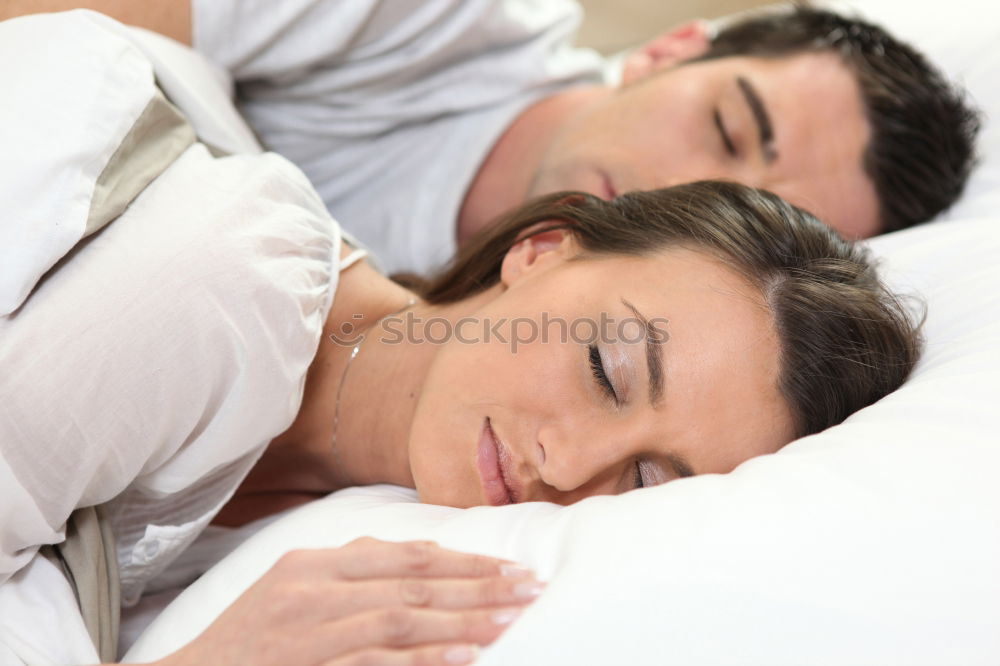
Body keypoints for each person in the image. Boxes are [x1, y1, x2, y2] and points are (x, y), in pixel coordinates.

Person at [0, 9, 921, 666]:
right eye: (606, 369)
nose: (569, 468)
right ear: (541, 251)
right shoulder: (230, 288)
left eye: (645, 478)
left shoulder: (342, 496)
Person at [0, 1, 977, 273]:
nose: (682, 189)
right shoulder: (437, 18)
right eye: (724, 126)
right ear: (666, 51)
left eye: (740, 216)